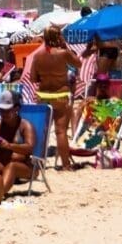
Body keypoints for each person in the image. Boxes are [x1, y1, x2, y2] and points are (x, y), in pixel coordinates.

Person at [30, 25, 81, 170]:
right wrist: (66, 46)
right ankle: (65, 165)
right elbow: (79, 63)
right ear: (58, 36)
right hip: (60, 95)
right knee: (61, 131)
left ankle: (38, 163)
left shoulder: (37, 56)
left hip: (43, 96)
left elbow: (33, 78)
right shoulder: (63, 53)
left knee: (41, 130)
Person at [0, 90, 35, 193]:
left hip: (23, 168)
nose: (3, 113)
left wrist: (9, 146)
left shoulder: (25, 126)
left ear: (16, 108)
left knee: (12, 166)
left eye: (7, 110)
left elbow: (30, 148)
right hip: (1, 165)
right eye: (1, 110)